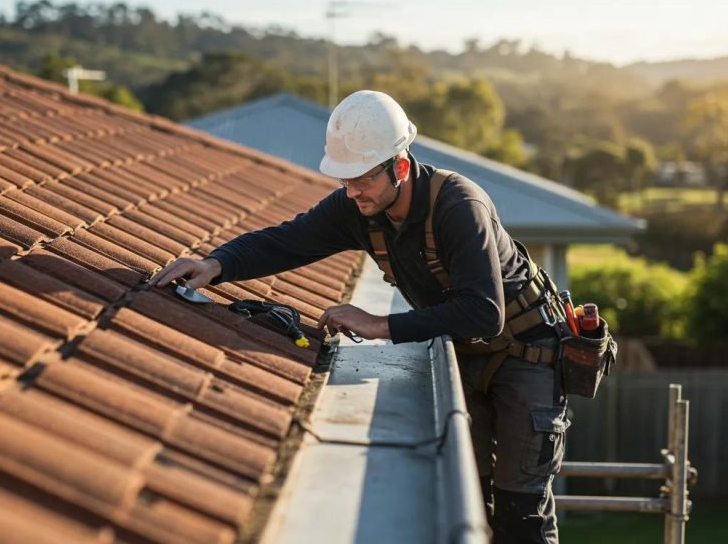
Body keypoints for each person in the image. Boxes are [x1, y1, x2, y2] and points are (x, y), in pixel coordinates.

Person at [155, 90, 570, 543]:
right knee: (469, 498)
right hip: (467, 354)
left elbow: (483, 312)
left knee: (520, 513)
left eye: (363, 180)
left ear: (402, 167)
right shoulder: (357, 206)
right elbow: (287, 240)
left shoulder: (458, 206)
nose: (352, 192)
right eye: (345, 181)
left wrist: (380, 325)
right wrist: (217, 265)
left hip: (527, 356)